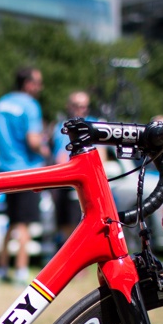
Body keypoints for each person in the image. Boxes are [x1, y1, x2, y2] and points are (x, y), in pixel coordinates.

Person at [0, 66, 49, 284]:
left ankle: (1, 268)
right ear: (28, 84)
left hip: (5, 170)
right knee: (24, 223)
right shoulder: (30, 105)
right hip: (26, 170)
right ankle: (21, 270)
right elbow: (33, 141)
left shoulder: (0, 103)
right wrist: (45, 150)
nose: (40, 87)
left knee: (12, 221)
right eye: (38, 82)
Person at [50, 90, 95, 248]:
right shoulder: (61, 127)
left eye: (84, 106)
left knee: (80, 223)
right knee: (64, 223)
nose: (81, 110)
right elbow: (59, 156)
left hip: (84, 181)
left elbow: (100, 157)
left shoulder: (93, 125)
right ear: (69, 106)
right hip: (65, 181)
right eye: (77, 106)